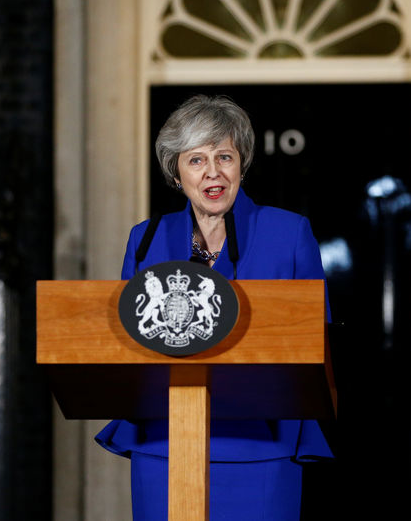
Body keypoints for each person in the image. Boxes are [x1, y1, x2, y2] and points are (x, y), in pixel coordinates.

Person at [96, 94, 333, 520]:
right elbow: (125, 346)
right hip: (162, 445)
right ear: (176, 172)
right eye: (196, 160)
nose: (213, 172)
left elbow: (320, 344)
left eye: (224, 156)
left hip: (261, 447)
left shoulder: (290, 232)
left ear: (242, 163)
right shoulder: (145, 238)